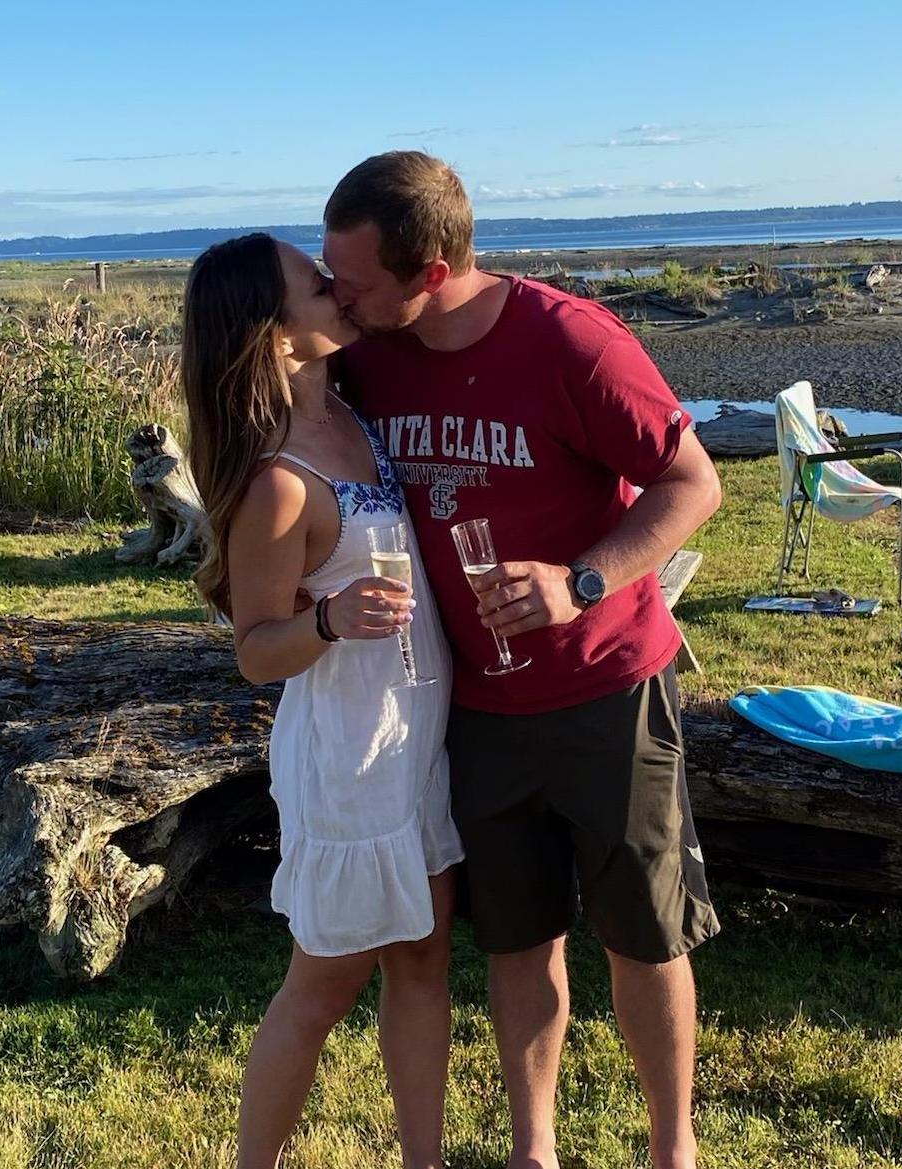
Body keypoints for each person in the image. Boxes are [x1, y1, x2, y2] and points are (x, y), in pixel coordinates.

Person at [323, 152, 723, 1169]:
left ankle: (671, 1148)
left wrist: (579, 581)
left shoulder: (572, 343)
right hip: (473, 704)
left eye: (355, 282)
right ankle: (530, 1149)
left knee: (642, 931)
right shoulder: (369, 353)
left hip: (604, 686)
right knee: (517, 934)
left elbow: (691, 484)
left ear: (431, 272)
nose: (339, 299)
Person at [181, 231, 464, 1169]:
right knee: (321, 987)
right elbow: (256, 653)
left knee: (422, 959)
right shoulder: (276, 481)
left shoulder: (354, 411)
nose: (340, 291)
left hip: (414, 744)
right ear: (273, 334)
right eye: (316, 286)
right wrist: (332, 620)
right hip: (346, 762)